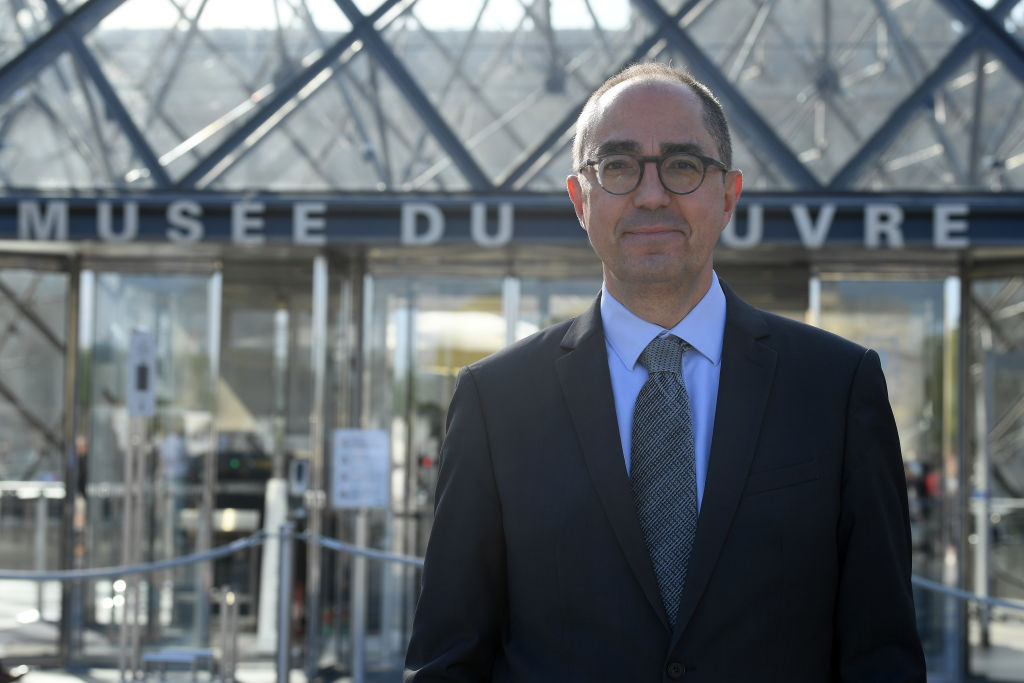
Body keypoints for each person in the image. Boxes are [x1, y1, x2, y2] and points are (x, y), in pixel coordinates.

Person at [404, 62, 926, 682]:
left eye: (682, 165)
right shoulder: (496, 401)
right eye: (618, 166)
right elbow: (448, 659)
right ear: (580, 200)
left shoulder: (837, 388)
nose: (651, 195)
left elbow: (883, 654)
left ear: (728, 195)